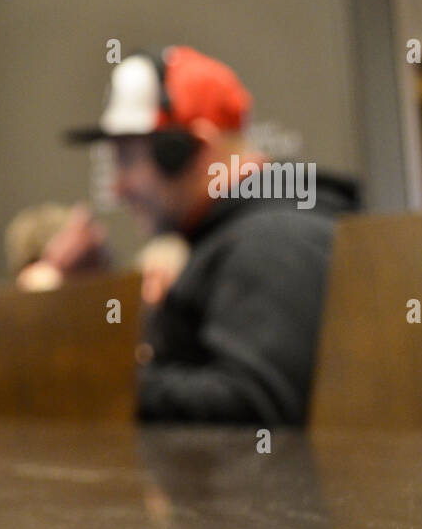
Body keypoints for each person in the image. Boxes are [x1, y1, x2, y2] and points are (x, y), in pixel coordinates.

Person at [66, 45, 355, 425]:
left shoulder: (271, 241)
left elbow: (252, 409)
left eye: (127, 159)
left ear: (190, 149)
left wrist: (89, 379)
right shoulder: (244, 234)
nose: (117, 188)